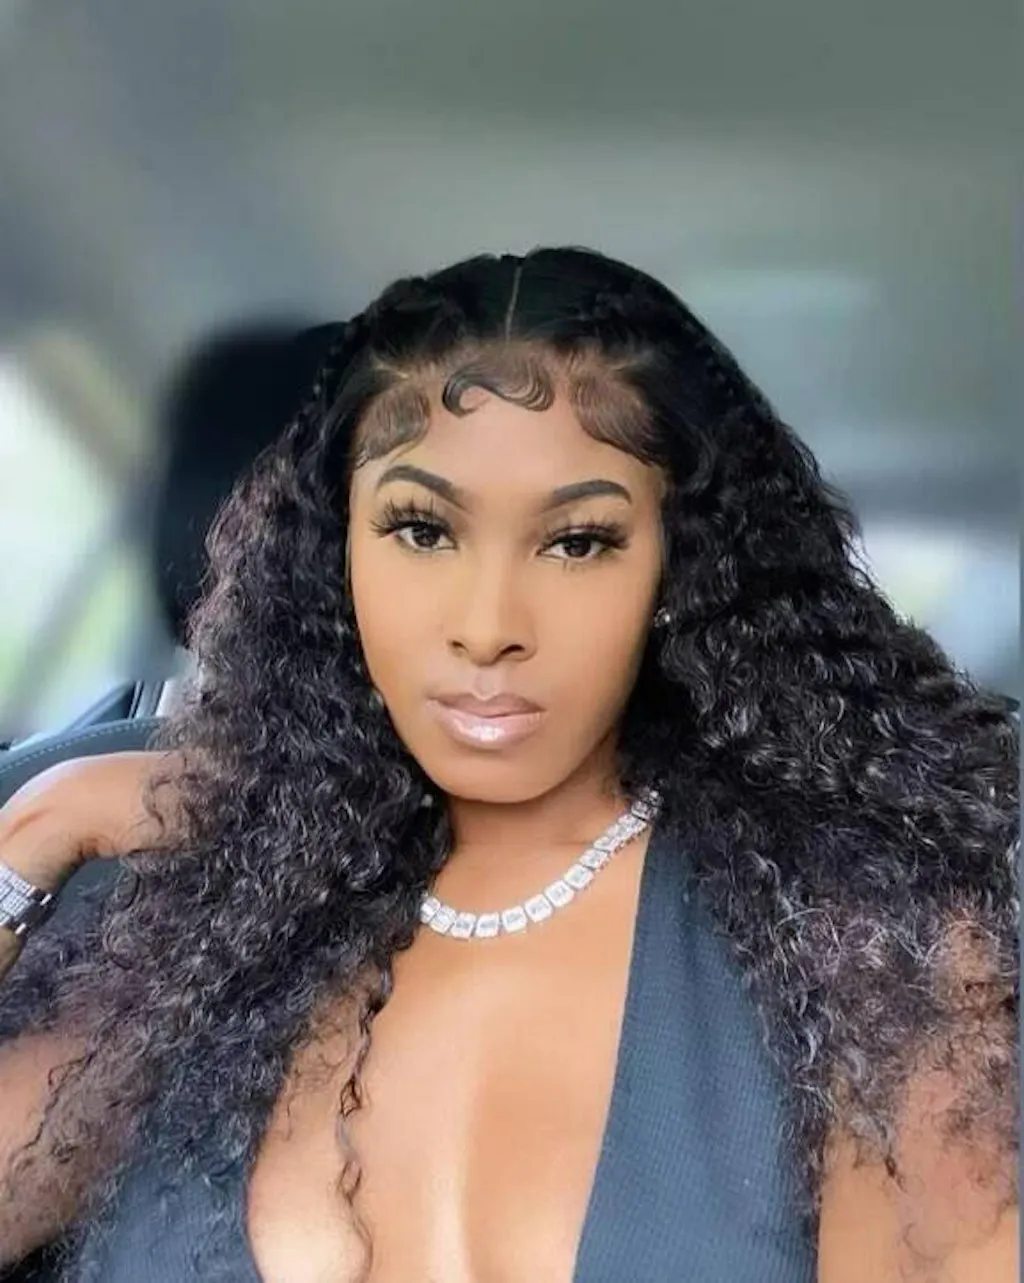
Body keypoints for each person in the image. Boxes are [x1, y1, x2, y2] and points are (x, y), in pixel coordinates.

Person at [0, 247, 1018, 1283]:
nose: (488, 626)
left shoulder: (862, 940)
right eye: (420, 529)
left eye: (576, 542)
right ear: (336, 553)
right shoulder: (209, 911)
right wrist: (38, 827)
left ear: (681, 568)